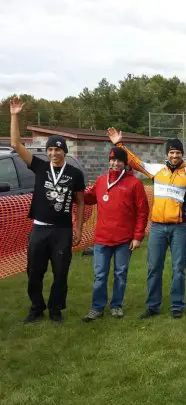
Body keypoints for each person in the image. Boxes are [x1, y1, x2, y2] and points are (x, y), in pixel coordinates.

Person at [107, 127, 186, 319]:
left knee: (178, 268)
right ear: (167, 154)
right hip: (158, 227)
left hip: (179, 228)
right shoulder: (157, 170)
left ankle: (177, 305)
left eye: (177, 152)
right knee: (154, 267)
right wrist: (119, 144)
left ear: (182, 154)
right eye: (171, 152)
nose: (174, 155)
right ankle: (153, 306)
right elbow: (134, 162)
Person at [9, 96, 85, 324]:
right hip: (40, 229)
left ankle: (55, 309)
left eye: (57, 149)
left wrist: (78, 228)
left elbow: (80, 202)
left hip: (62, 230)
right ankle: (36, 307)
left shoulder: (75, 173)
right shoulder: (40, 167)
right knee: (34, 272)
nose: (53, 153)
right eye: (50, 149)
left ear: (64, 151)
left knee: (61, 273)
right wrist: (14, 116)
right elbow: (15, 144)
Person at [81, 147, 150, 321]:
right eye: (112, 160)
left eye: (119, 160)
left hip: (124, 240)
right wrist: (76, 190)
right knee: (100, 275)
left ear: (125, 164)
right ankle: (97, 307)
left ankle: (116, 305)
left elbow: (142, 212)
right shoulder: (101, 180)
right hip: (102, 239)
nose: (115, 163)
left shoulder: (134, 184)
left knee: (120, 273)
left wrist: (137, 236)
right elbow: (88, 198)